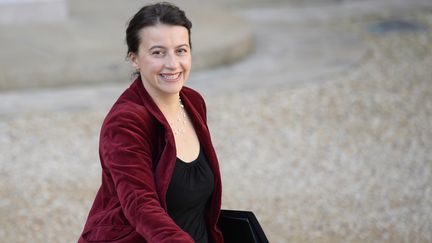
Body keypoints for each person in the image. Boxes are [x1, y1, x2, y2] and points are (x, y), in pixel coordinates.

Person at [78, 2, 223, 243]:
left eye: (181, 50)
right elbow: (140, 205)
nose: (173, 64)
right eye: (158, 52)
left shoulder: (194, 102)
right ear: (134, 59)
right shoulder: (125, 122)